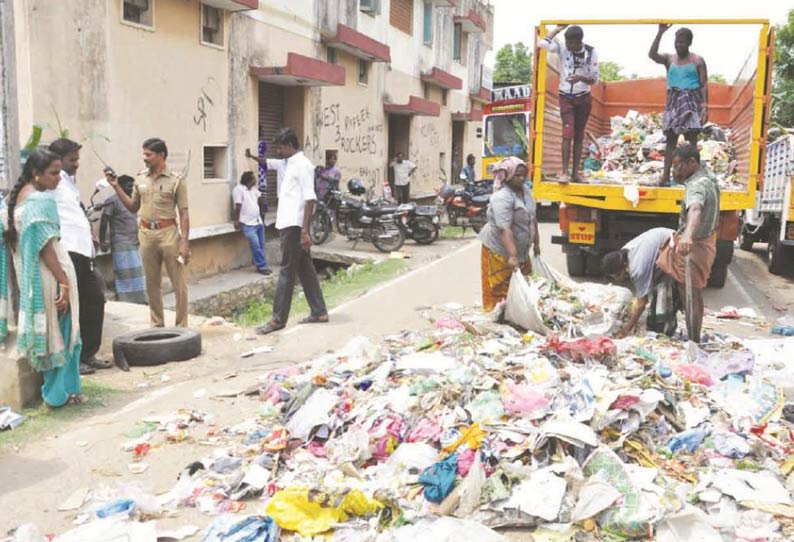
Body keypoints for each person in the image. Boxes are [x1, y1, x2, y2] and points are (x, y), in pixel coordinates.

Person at [0, 150, 83, 407]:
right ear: (36, 174)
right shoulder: (41, 202)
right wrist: (65, 283)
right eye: (54, 173)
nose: (59, 178)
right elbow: (47, 249)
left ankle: (57, 393)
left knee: (49, 335)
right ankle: (60, 395)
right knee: (65, 332)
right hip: (51, 276)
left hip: (30, 281)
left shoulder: (10, 204)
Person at [106, 138, 190, 328]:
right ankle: (157, 324)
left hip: (169, 234)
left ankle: (182, 326)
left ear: (161, 155)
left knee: (179, 283)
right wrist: (116, 186)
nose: (145, 158)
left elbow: (184, 213)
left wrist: (184, 242)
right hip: (146, 234)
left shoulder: (176, 181)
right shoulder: (140, 178)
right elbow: (133, 207)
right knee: (152, 284)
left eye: (149, 155)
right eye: (144, 154)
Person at [256, 128, 328, 335]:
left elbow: (310, 198)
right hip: (288, 224)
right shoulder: (289, 164)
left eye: (279, 147)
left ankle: (278, 319)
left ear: (289, 145)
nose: (277, 151)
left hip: (295, 227)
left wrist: (305, 230)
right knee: (305, 269)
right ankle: (319, 311)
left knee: (287, 271)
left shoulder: (302, 165)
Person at [48, 138, 110, 375]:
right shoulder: (52, 182)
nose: (77, 164)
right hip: (68, 251)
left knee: (94, 297)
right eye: (72, 160)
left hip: (84, 251)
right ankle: (76, 358)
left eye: (77, 159)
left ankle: (88, 353)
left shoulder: (68, 182)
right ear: (59, 160)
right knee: (76, 304)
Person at [656, 144, 720, 343]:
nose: (675, 171)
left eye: (678, 166)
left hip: (696, 246)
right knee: (691, 292)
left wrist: (688, 236)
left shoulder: (697, 186)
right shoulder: (708, 177)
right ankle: (692, 335)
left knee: (690, 294)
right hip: (706, 240)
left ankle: (694, 339)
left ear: (692, 162)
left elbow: (695, 210)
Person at [479, 157, 541, 312]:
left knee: (523, 286)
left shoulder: (526, 192)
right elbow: (504, 229)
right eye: (517, 175)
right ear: (508, 176)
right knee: (500, 289)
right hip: (500, 251)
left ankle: (518, 314)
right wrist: (512, 256)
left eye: (524, 175)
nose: (521, 178)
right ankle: (498, 317)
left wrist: (537, 243)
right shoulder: (502, 197)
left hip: (521, 251)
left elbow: (532, 218)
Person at [649, 25, 709, 186]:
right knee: (670, 141)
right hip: (673, 102)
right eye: (676, 42)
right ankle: (665, 177)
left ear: (689, 43)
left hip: (691, 101)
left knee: (692, 142)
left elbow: (703, 84)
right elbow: (652, 55)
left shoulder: (697, 61)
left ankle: (693, 178)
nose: (678, 45)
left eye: (682, 42)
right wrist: (660, 33)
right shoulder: (670, 59)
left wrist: (705, 106)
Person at [539, 24, 599, 183]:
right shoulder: (562, 46)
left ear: (579, 41)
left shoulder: (591, 52)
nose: (569, 46)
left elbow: (594, 79)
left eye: (572, 43)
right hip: (565, 96)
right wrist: (557, 30)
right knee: (567, 133)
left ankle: (575, 174)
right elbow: (542, 44)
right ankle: (564, 172)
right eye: (568, 43)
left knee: (579, 135)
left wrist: (580, 78)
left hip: (583, 97)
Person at [602, 227, 675, 338]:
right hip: (662, 236)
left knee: (663, 290)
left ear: (623, 268)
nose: (616, 280)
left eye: (616, 276)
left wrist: (626, 329)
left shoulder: (637, 269)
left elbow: (642, 304)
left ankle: (666, 326)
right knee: (652, 286)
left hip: (673, 245)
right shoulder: (624, 253)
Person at [99, 175, 148, 304]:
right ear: (119, 186)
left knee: (137, 273)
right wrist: (102, 241)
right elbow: (104, 221)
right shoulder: (112, 201)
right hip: (121, 243)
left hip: (134, 242)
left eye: (132, 186)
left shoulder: (133, 200)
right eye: (128, 186)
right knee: (125, 275)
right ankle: (127, 301)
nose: (131, 189)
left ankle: (140, 300)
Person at [234, 171, 271, 276]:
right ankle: (262, 266)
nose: (255, 180)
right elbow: (238, 206)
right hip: (247, 223)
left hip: (258, 221)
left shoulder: (254, 190)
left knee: (261, 245)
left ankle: (260, 265)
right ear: (249, 180)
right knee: (255, 244)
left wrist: (263, 206)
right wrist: (236, 220)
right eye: (254, 178)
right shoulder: (239, 190)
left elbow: (260, 200)